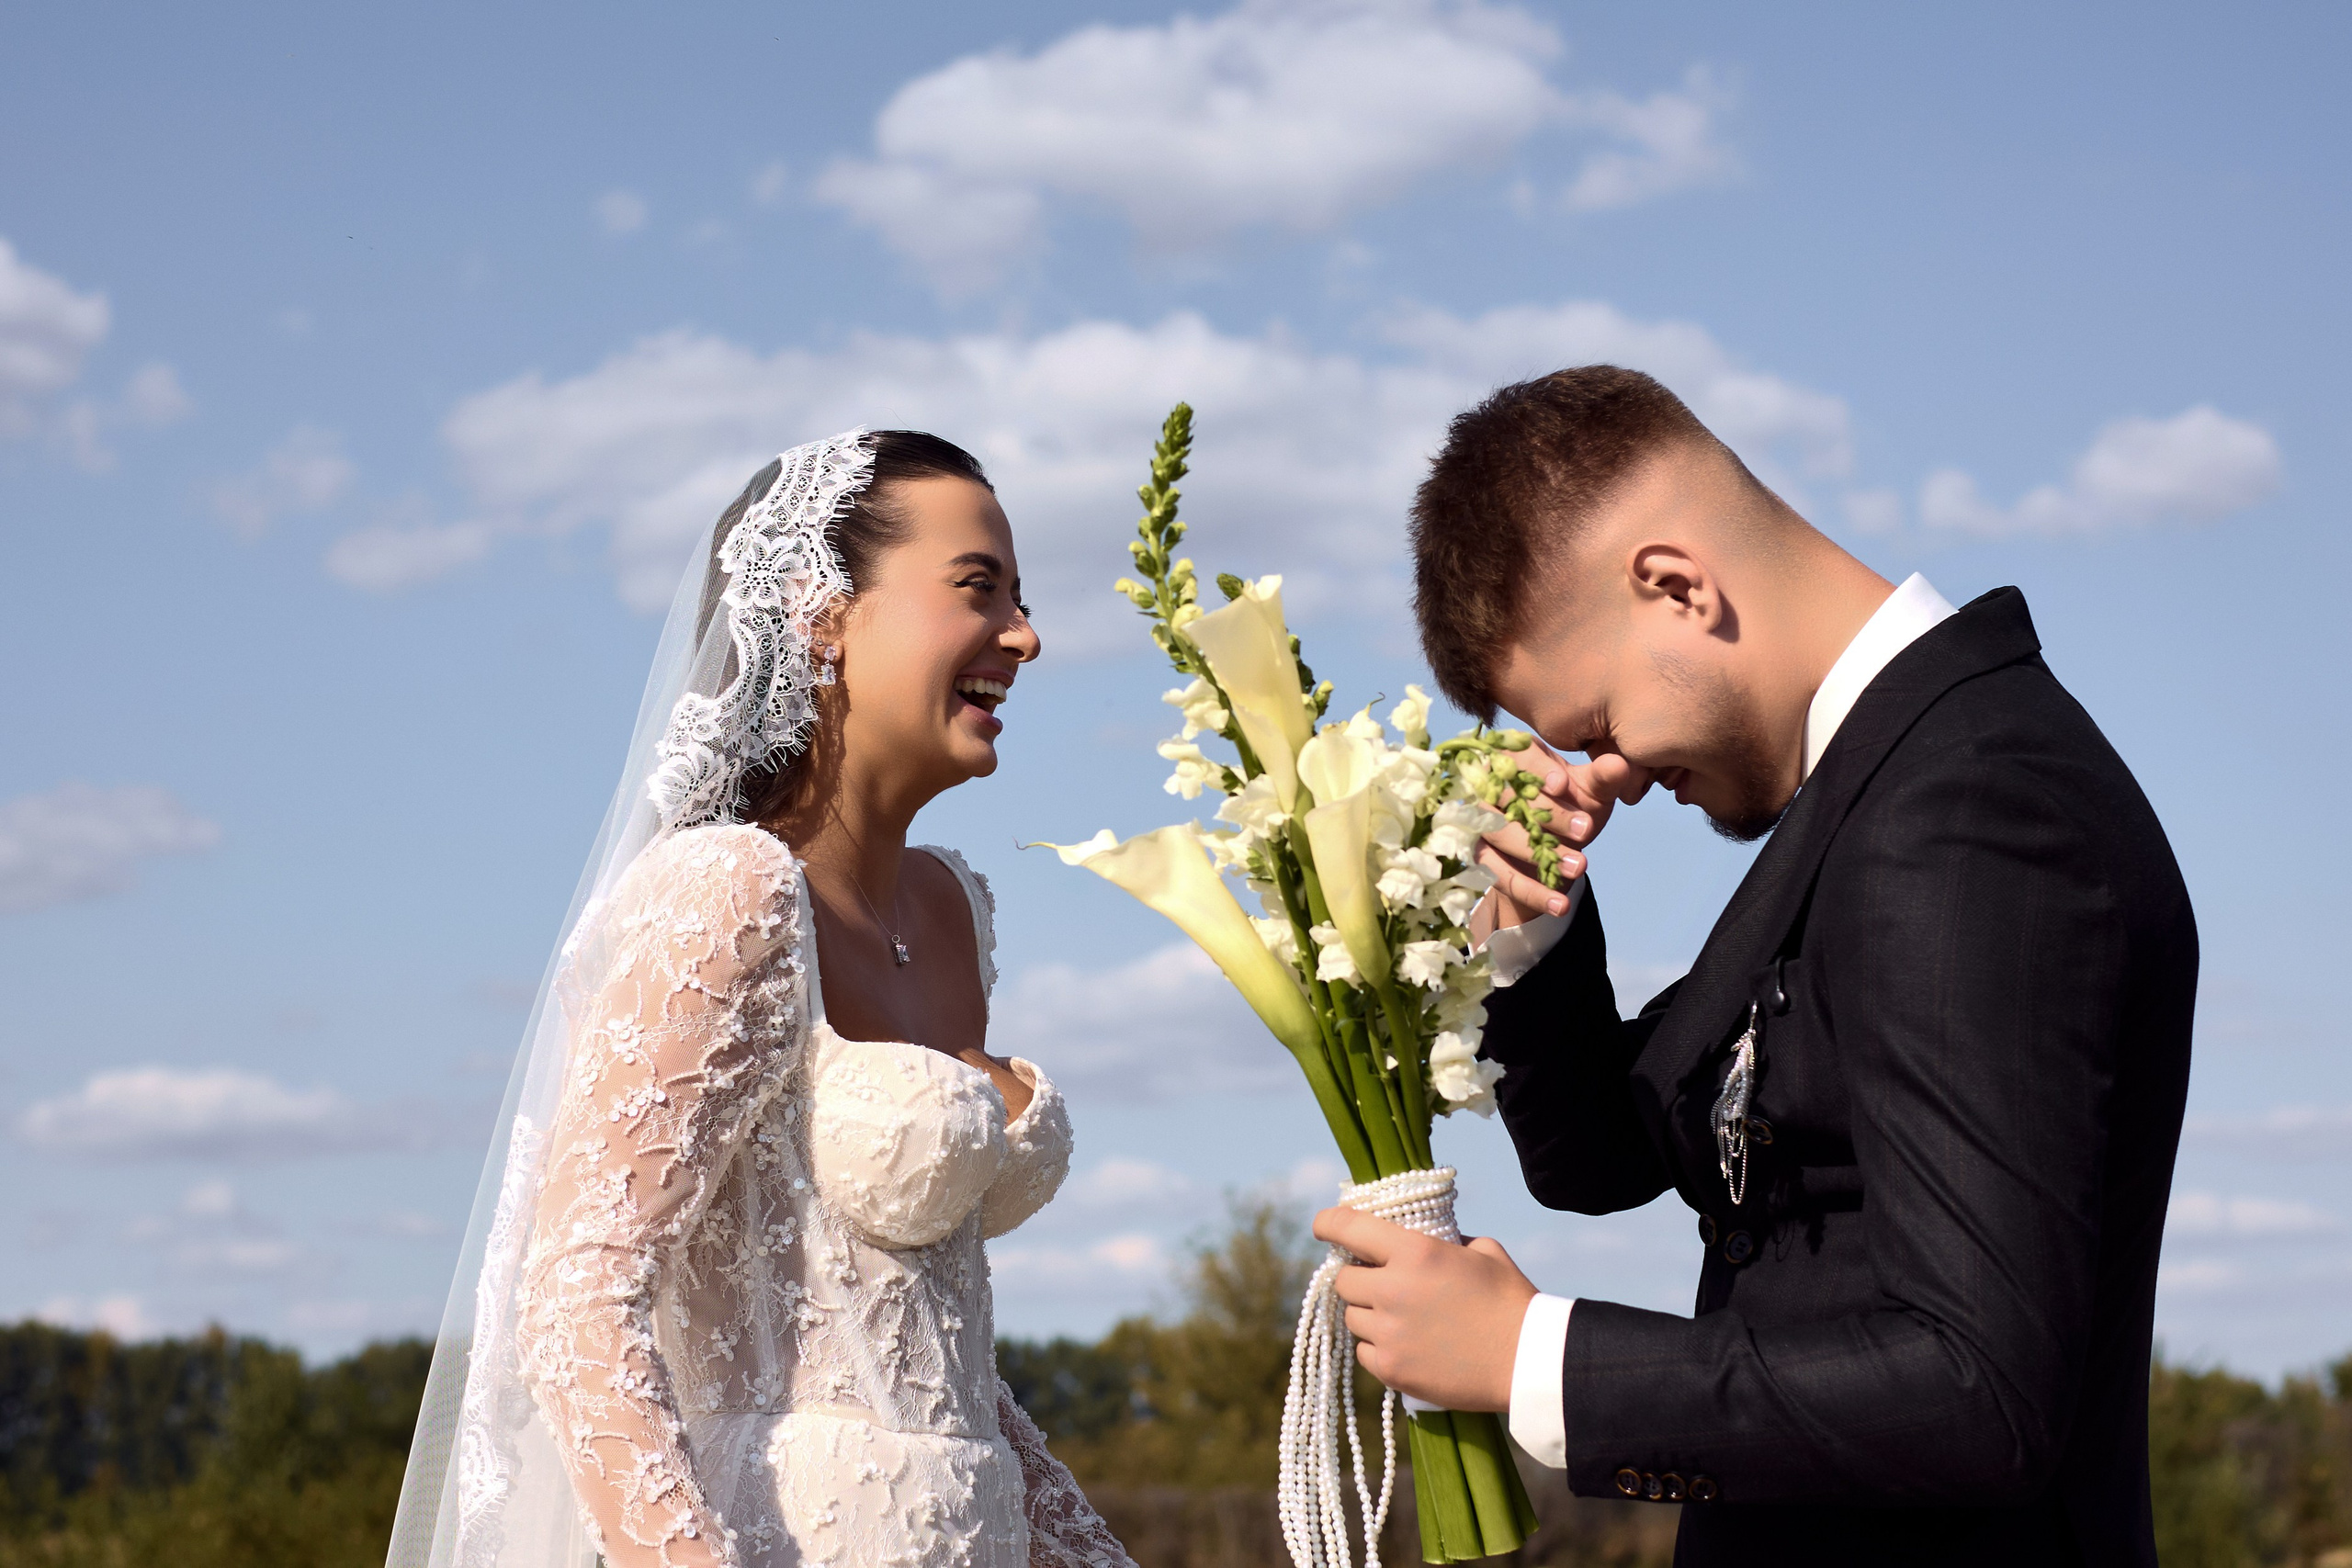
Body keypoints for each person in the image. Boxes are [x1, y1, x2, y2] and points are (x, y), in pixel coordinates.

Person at [1313, 367, 2194, 1565]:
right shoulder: (1872, 802)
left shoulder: (1972, 802)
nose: (1608, 775)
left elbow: (1978, 1386)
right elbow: (1614, 1152)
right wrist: (1534, 931)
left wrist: (1535, 1354)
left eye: (1600, 726)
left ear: (1677, 585)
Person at [385, 432, 1136, 1568]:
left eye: (1021, 600)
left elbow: (933, 1363)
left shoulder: (949, 913)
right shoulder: (727, 893)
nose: (1024, 637)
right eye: (978, 590)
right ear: (820, 613)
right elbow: (578, 1298)